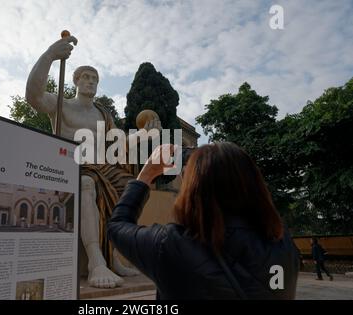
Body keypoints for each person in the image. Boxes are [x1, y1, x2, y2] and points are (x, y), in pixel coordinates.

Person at [26, 35, 161, 288]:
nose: (91, 82)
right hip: (68, 165)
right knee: (87, 183)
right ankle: (96, 261)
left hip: (102, 166)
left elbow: (118, 143)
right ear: (76, 81)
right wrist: (49, 56)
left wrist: (145, 134)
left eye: (95, 79)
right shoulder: (61, 104)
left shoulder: (103, 114)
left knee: (132, 188)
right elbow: (33, 97)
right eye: (86, 77)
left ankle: (112, 256)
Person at [108, 142, 300, 299]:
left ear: (194, 188)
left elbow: (117, 226)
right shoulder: (284, 246)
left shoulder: (170, 245)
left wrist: (146, 175)